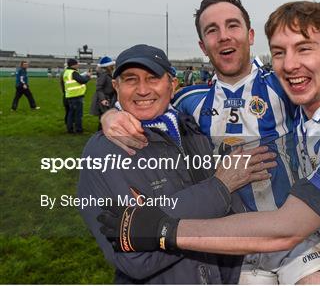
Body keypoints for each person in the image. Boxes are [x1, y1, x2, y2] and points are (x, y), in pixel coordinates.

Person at [99, 0, 320, 284]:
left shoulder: (289, 83)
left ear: (249, 36)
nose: (223, 36)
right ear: (202, 46)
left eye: (232, 25)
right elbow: (143, 99)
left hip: (295, 238)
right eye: (211, 30)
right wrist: (111, 114)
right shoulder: (188, 101)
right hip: (228, 241)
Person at [79, 44, 276, 284]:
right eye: (131, 79)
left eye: (153, 78)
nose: (142, 90)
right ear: (116, 86)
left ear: (172, 85)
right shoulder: (105, 151)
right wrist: (220, 186)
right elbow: (135, 255)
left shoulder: (188, 126)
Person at [63, 58, 91, 133]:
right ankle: (79, 129)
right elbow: (82, 81)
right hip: (76, 95)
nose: (78, 65)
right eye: (77, 64)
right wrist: (88, 76)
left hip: (70, 95)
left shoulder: (66, 72)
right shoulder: (73, 72)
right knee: (78, 114)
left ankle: (70, 129)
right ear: (74, 65)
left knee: (71, 113)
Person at [90, 56, 116, 130]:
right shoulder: (103, 75)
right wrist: (103, 99)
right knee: (105, 118)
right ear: (109, 66)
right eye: (112, 65)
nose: (113, 66)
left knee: (106, 117)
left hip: (108, 98)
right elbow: (99, 88)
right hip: (104, 99)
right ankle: (101, 135)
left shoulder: (108, 74)